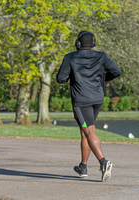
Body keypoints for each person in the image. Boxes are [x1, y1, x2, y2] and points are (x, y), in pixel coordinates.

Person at [56, 31, 121, 182]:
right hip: (97, 99)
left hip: (81, 101)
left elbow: (60, 79)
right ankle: (83, 167)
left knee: (89, 130)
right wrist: (100, 80)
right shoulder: (101, 56)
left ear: (78, 44)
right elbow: (116, 71)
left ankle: (103, 162)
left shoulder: (70, 57)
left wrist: (71, 75)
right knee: (85, 130)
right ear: (93, 44)